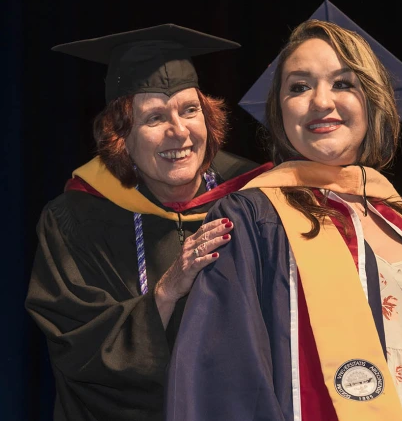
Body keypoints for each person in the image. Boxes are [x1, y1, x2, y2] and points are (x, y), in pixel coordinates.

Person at [165, 19, 402, 421]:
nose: (321, 102)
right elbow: (224, 383)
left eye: (343, 83)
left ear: (372, 101)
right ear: (279, 111)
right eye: (299, 87)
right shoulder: (252, 220)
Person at [24, 23, 273, 421]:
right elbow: (76, 347)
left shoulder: (257, 199)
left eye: (190, 111)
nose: (179, 132)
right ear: (121, 136)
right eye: (155, 118)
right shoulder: (75, 219)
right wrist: (166, 292)